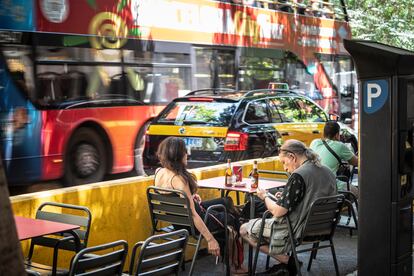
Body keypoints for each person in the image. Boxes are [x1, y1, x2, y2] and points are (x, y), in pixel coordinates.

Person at [240, 139, 337, 275]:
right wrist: (285, 196)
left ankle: (288, 261)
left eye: (284, 162)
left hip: (296, 231)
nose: (285, 168)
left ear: (292, 156)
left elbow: (278, 212)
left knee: (244, 229)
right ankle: (283, 268)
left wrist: (264, 196)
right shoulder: (327, 171)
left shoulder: (299, 175)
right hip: (323, 228)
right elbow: (312, 197)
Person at [154, 137, 246, 273]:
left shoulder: (159, 172)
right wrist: (210, 239)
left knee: (225, 201)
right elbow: (193, 214)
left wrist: (190, 197)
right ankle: (235, 265)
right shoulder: (179, 179)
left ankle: (235, 234)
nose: (187, 154)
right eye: (185, 152)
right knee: (231, 220)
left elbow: (175, 198)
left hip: (178, 220)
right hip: (192, 222)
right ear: (178, 155)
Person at [310, 121, 359, 196]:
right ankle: (343, 206)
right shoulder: (340, 146)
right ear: (337, 135)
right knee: (357, 193)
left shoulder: (314, 142)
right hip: (329, 184)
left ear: (324, 133)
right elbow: (356, 162)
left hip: (312, 183)